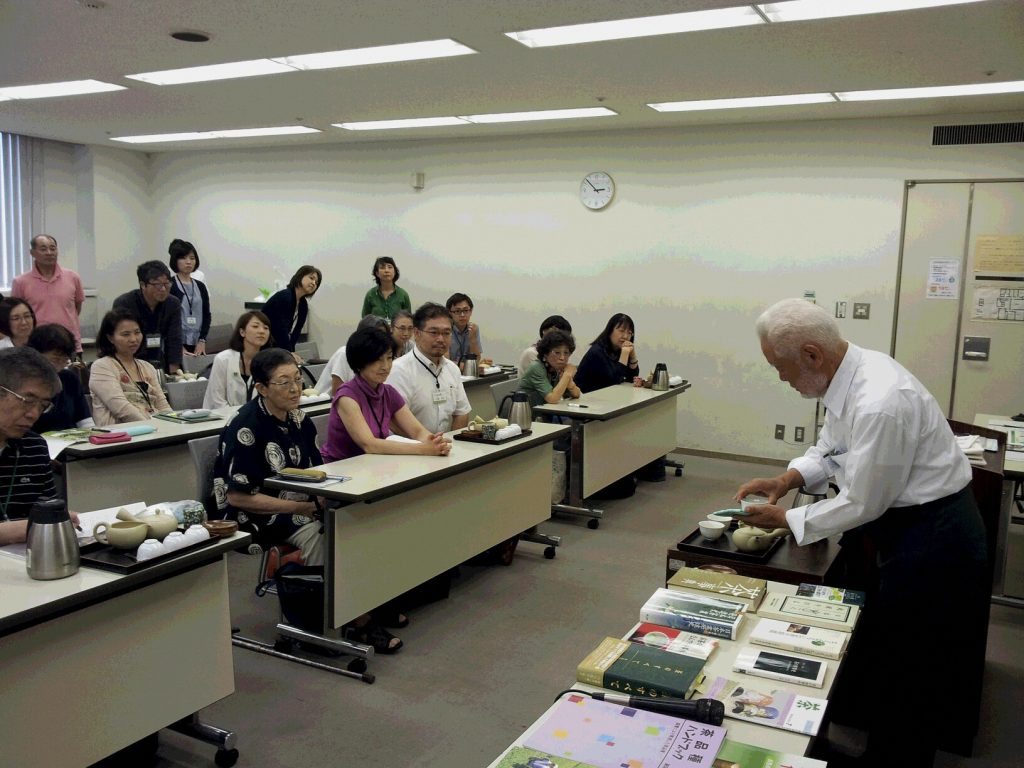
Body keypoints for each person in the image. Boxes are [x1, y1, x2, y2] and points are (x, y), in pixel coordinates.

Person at [733, 298, 988, 768]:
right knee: (887, 645)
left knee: (915, 662)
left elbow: (864, 501)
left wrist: (788, 520)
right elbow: (832, 447)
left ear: (811, 354)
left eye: (781, 367)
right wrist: (786, 481)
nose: (781, 378)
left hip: (935, 533)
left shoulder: (881, 399)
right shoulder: (845, 376)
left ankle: (898, 759)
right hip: (906, 524)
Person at [212, 347, 402, 653]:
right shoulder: (246, 426)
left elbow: (317, 473)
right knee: (321, 535)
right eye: (283, 382)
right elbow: (238, 497)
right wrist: (305, 507)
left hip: (302, 503)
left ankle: (354, 605)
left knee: (354, 522)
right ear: (261, 388)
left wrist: (328, 500)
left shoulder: (300, 419)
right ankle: (334, 623)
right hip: (256, 515)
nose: (295, 388)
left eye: (298, 379)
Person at [320, 327, 452, 462]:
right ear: (359, 362)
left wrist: (434, 442)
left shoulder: (388, 392)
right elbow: (369, 445)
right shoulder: (347, 397)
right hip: (341, 469)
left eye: (389, 358)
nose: (386, 366)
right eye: (377, 360)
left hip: (374, 465)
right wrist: (424, 449)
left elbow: (417, 431)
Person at [0, 347, 64, 541]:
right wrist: (12, 531)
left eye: (42, 406)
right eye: (27, 401)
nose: (34, 414)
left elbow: (50, 514)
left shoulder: (34, 446)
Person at [387, 302, 471, 434]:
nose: (440, 339)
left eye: (446, 333)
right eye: (434, 332)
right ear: (417, 333)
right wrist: (426, 445)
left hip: (442, 448)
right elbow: (394, 421)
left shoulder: (452, 369)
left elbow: (462, 413)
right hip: (408, 449)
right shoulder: (398, 370)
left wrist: (454, 444)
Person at [89, 309, 171, 426]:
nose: (133, 339)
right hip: (122, 434)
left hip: (154, 429)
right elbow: (121, 408)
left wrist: (174, 426)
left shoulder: (147, 367)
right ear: (110, 338)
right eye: (126, 334)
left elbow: (162, 405)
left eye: (137, 332)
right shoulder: (102, 366)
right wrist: (152, 427)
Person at [10, 234, 85, 356]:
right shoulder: (20, 282)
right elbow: (16, 313)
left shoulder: (73, 277)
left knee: (71, 375)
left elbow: (76, 308)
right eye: (43, 249)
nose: (49, 252)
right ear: (32, 253)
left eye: (53, 248)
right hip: (36, 345)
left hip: (69, 344)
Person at [112, 260, 183, 374]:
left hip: (159, 359)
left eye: (166, 283)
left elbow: (174, 339)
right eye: (157, 285)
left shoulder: (173, 303)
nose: (163, 289)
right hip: (131, 360)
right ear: (142, 285)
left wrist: (174, 374)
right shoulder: (124, 303)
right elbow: (121, 341)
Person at [27, 324, 93, 433]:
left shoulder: (69, 378)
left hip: (72, 442)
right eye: (56, 358)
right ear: (36, 354)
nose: (61, 364)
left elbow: (85, 420)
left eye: (65, 358)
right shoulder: (23, 382)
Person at [203, 311, 272, 410]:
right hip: (222, 418)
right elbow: (216, 400)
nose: (262, 331)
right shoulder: (223, 359)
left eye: (266, 328)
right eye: (255, 326)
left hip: (256, 419)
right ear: (242, 332)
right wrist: (239, 418)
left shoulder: (270, 362)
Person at [315, 315, 389, 396]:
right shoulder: (344, 354)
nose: (380, 340)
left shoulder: (379, 358)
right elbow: (337, 394)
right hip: (325, 404)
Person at [262, 265, 322, 354]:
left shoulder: (303, 304)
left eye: (316, 282)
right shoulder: (285, 296)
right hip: (265, 344)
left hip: (278, 347)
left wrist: (292, 353)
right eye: (311, 278)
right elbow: (280, 330)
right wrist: (289, 354)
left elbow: (296, 333)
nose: (313, 283)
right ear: (300, 276)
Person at [575, 313, 640, 393]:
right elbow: (615, 380)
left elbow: (632, 378)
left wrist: (633, 355)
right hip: (588, 398)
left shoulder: (619, 350)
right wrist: (624, 354)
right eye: (621, 331)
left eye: (629, 333)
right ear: (610, 331)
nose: (626, 336)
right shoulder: (597, 351)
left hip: (608, 396)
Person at [168, 238, 212, 357]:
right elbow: (167, 319)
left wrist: (202, 340)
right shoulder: (170, 285)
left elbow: (207, 315)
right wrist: (177, 345)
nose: (189, 262)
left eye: (192, 258)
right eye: (183, 258)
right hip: (176, 343)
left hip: (198, 343)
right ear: (175, 261)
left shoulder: (200, 286)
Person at [518, 329, 581, 409]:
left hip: (544, 413)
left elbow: (577, 394)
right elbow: (552, 399)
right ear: (545, 354)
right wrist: (567, 375)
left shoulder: (556, 367)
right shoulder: (536, 368)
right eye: (557, 353)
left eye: (566, 353)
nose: (562, 358)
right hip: (526, 414)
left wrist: (569, 381)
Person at [361, 256, 411, 321]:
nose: (386, 270)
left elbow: (408, 320)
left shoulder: (403, 294)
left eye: (390, 267)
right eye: (382, 268)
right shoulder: (370, 294)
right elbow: (365, 319)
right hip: (375, 331)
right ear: (377, 273)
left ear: (395, 272)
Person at [445, 292, 482, 369]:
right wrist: (465, 366)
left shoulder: (474, 329)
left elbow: (477, 360)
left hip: (467, 375)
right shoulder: (445, 330)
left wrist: (473, 340)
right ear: (449, 313)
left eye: (465, 310)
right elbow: (444, 361)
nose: (462, 315)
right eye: (457, 311)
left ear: (471, 311)